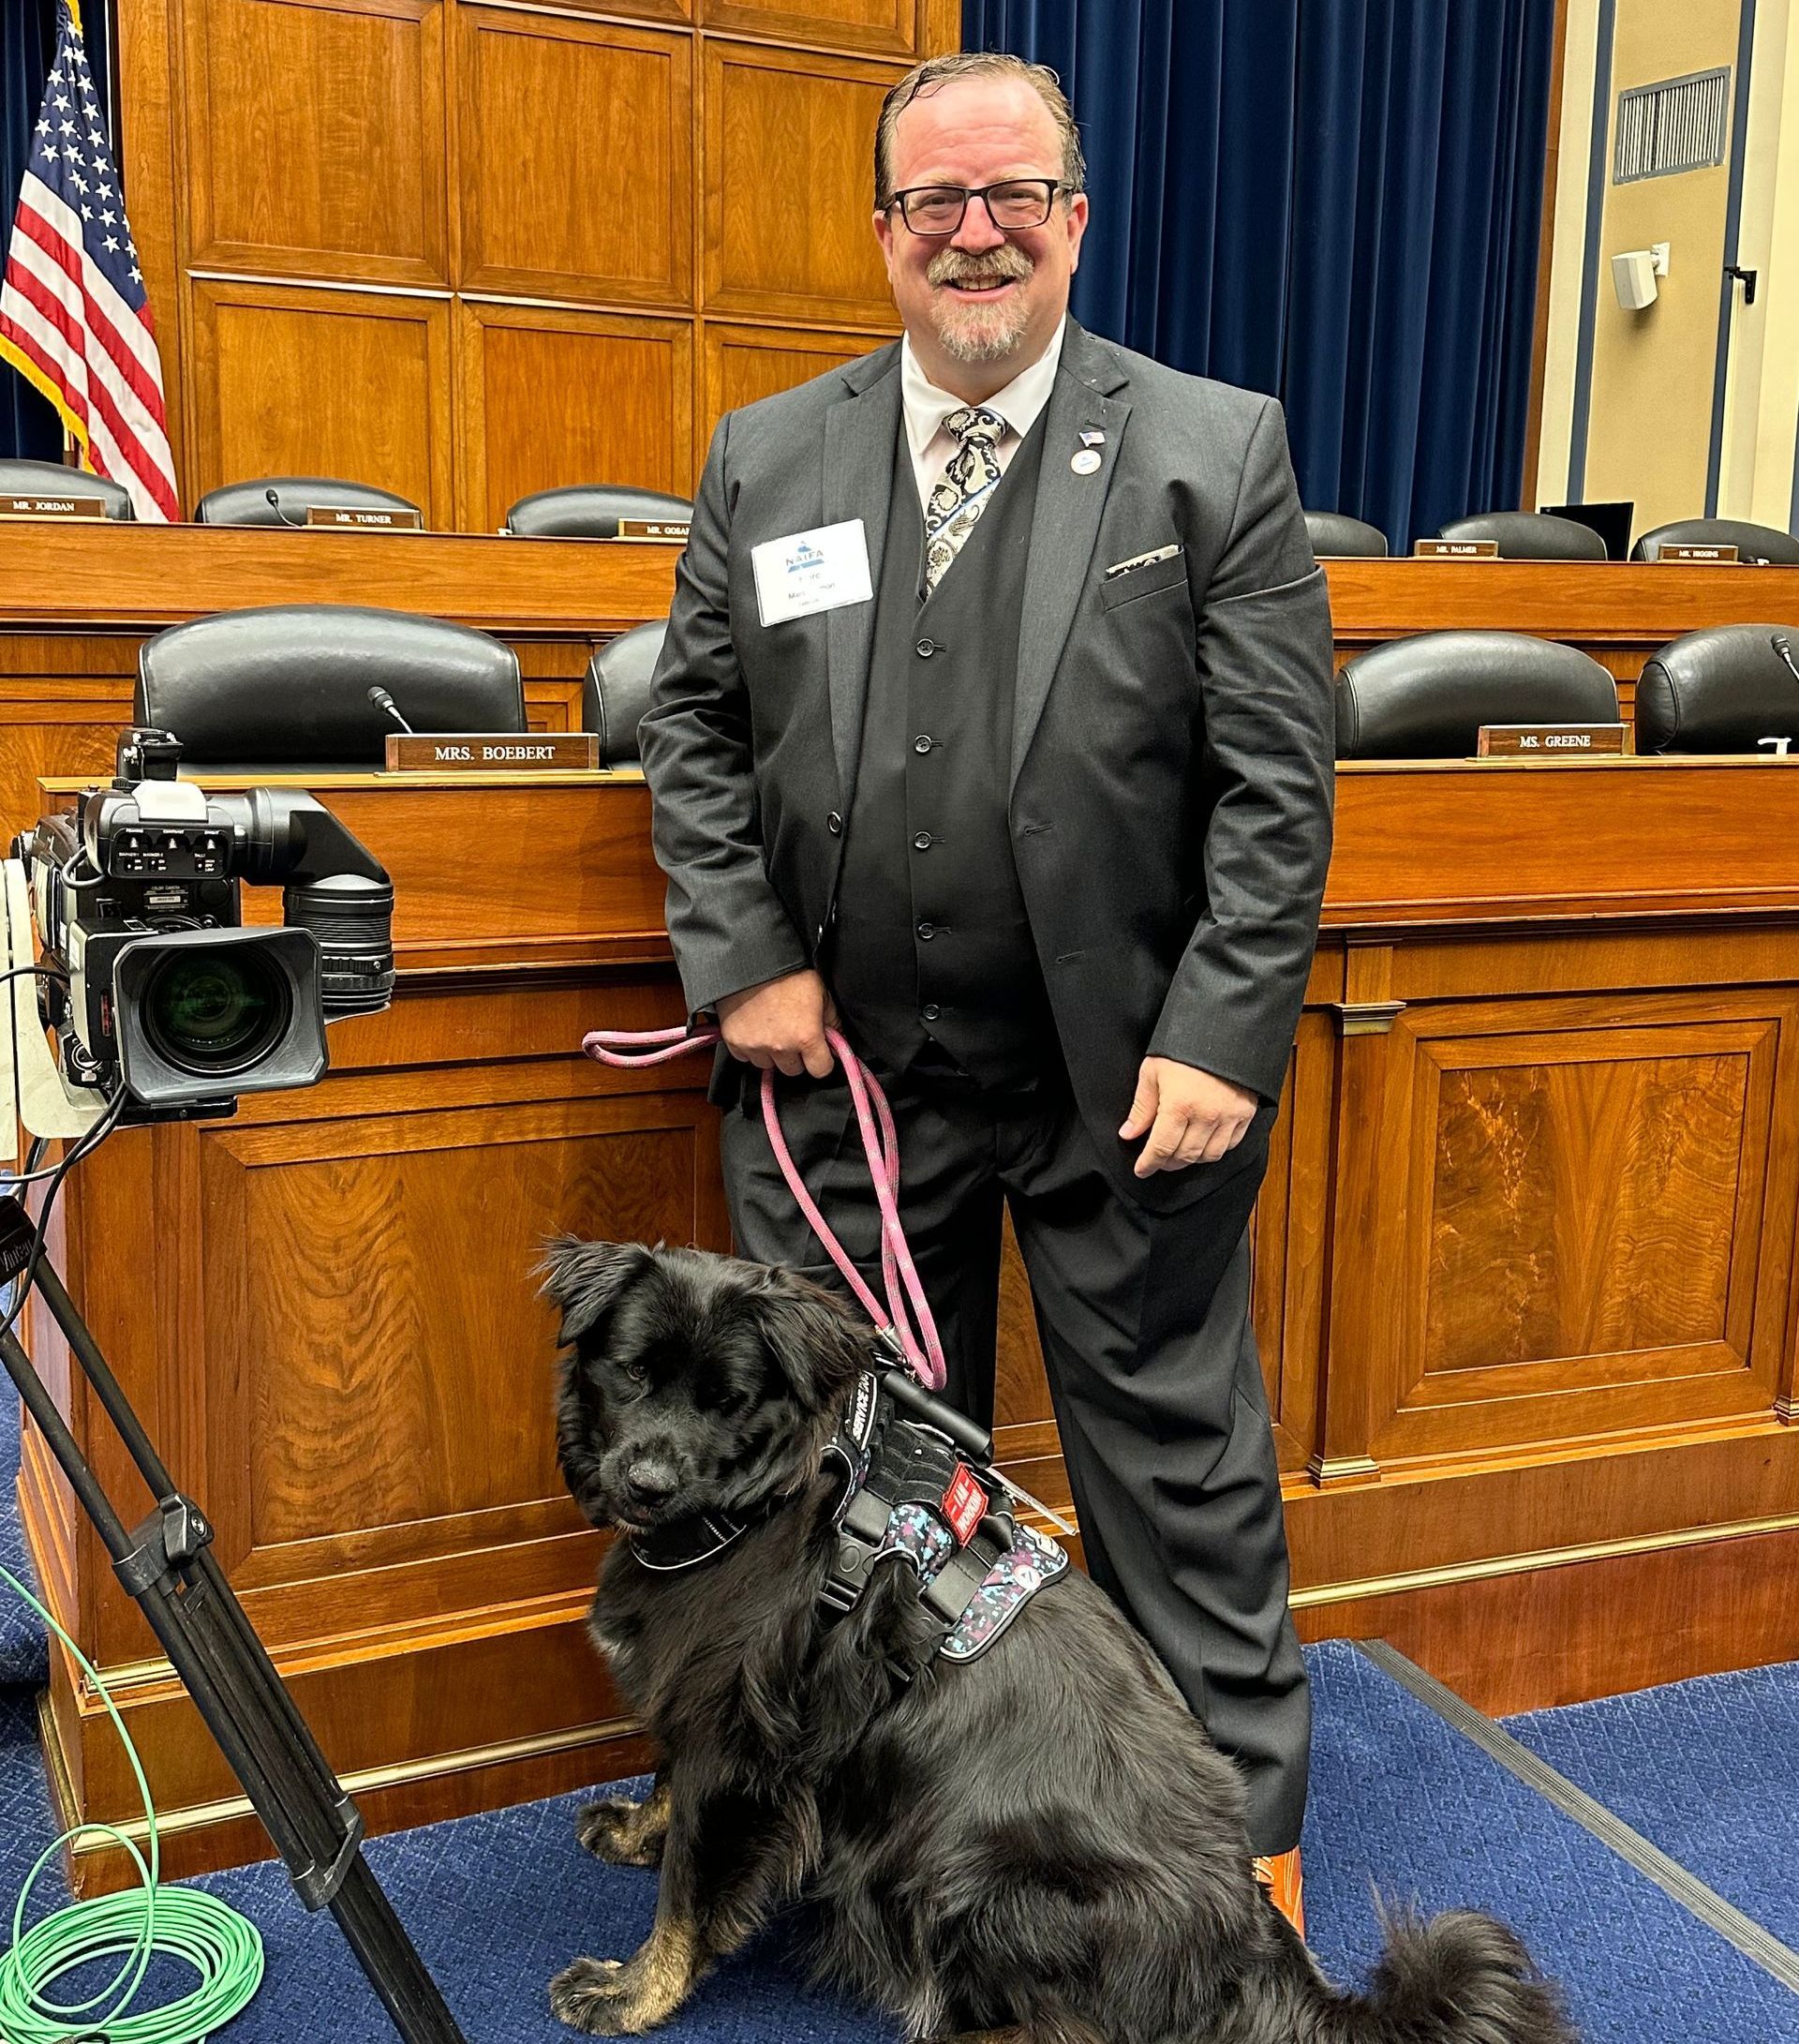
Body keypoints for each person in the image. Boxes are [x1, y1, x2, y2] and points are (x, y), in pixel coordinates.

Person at [639, 48, 1333, 1931]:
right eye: (934, 200)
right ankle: (891, 1833)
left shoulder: (1214, 450)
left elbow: (1280, 782)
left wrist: (1219, 1031)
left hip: (1128, 1086)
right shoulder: (769, 456)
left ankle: (1233, 1854)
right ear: (882, 235)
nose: (976, 228)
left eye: (1012, 191)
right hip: (846, 1080)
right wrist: (747, 955)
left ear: (1075, 216)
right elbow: (693, 725)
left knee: (1179, 1483)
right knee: (851, 1490)